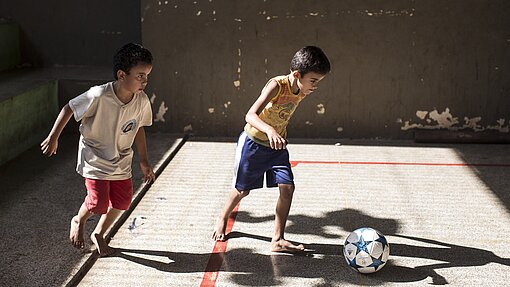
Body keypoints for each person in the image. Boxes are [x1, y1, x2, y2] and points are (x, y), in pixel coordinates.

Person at [40, 43, 156, 256]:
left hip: (120, 159)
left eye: (147, 76)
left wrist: (144, 160)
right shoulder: (99, 95)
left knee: (122, 201)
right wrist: (53, 137)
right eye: (140, 76)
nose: (145, 81)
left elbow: (138, 128)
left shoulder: (141, 101)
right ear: (122, 75)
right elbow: (69, 108)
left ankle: (99, 233)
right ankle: (79, 219)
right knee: (98, 203)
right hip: (94, 156)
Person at [212, 46, 331, 253]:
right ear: (297, 74)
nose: (315, 87)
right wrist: (269, 131)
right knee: (242, 190)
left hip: (277, 148)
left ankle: (278, 239)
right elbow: (250, 115)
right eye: (313, 81)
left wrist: (277, 134)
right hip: (253, 144)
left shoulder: (302, 89)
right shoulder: (277, 85)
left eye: (318, 82)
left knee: (287, 188)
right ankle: (222, 216)